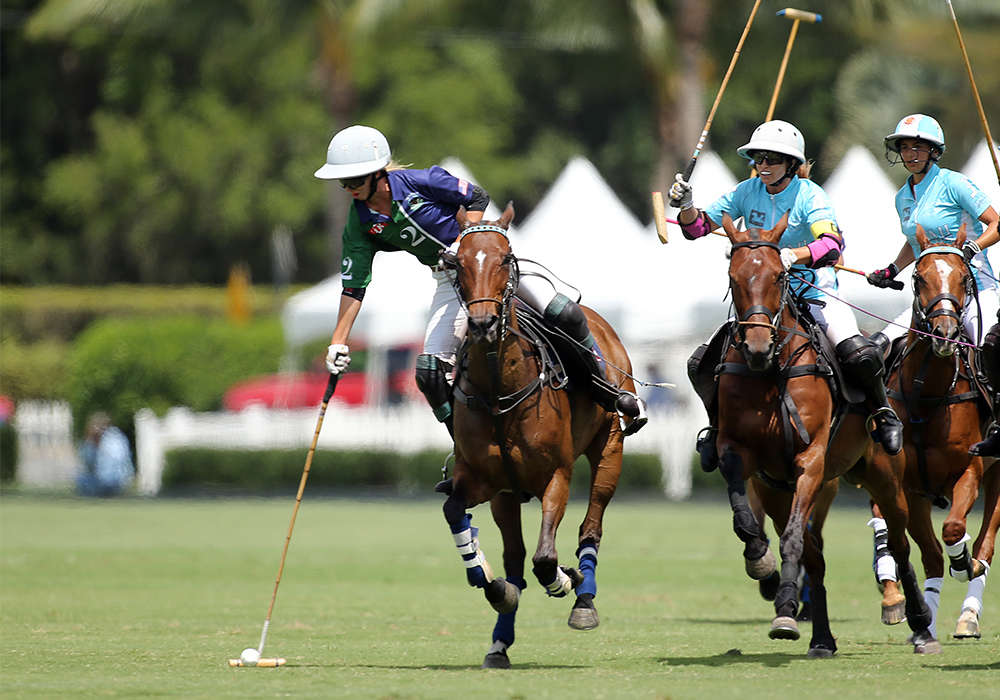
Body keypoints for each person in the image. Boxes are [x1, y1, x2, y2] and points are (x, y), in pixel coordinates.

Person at [314, 125, 646, 492]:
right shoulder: (359, 223)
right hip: (448, 279)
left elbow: (477, 196)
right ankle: (466, 453)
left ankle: (609, 390)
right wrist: (338, 342)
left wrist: (465, 241)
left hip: (491, 260)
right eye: (343, 183)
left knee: (563, 313)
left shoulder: (422, 182)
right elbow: (354, 285)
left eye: (354, 179)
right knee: (429, 371)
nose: (350, 188)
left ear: (378, 171)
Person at [670, 119, 904, 470]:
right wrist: (687, 204)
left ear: (791, 164)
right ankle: (715, 428)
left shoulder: (810, 195)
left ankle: (882, 412)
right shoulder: (747, 191)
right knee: (701, 363)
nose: (762, 166)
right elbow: (697, 228)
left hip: (813, 292)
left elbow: (831, 242)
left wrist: (795, 255)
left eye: (771, 159)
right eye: (758, 158)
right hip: (762, 299)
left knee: (858, 353)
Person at [865, 114, 1000, 454]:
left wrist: (973, 246)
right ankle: (886, 423)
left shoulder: (955, 184)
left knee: (992, 345)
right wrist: (892, 269)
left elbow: (996, 223)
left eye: (918, 147)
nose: (910, 153)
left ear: (933, 151)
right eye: (905, 147)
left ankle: (997, 423)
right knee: (882, 345)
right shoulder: (902, 197)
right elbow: (915, 242)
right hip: (930, 294)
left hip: (974, 288)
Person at [76, 412, 134, 497]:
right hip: (99, 480)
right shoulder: (90, 444)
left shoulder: (114, 440)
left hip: (114, 480)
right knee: (81, 480)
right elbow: (87, 464)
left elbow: (116, 466)